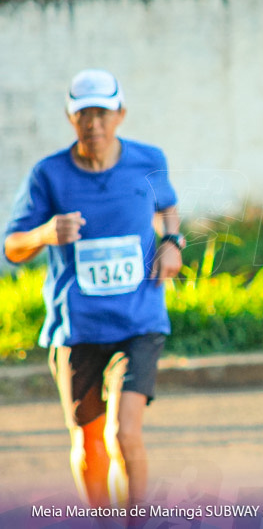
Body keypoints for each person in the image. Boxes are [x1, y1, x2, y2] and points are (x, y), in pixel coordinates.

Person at [3, 69, 183, 510]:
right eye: (85, 114)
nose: (94, 124)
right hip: (78, 327)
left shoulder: (148, 160)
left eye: (103, 113)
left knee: (126, 432)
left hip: (139, 320)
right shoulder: (49, 175)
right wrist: (45, 234)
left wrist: (172, 243)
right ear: (71, 118)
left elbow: (168, 205)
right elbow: (12, 246)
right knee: (89, 444)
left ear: (120, 114)